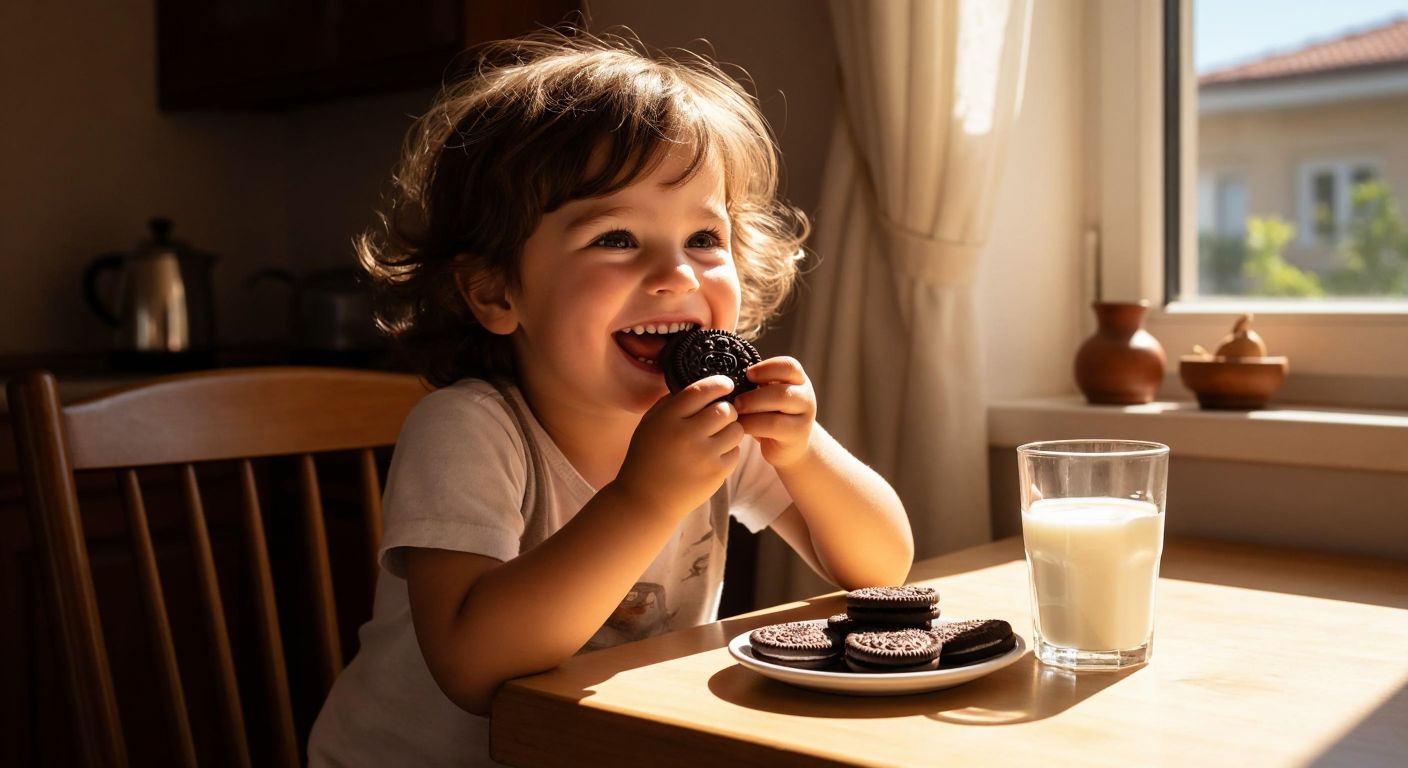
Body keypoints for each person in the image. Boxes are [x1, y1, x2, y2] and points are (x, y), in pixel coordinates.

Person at [308, 27, 912, 767]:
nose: (675, 274)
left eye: (702, 238)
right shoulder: (469, 432)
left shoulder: (717, 425)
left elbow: (883, 571)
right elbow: (472, 668)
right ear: (496, 291)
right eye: (617, 238)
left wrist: (804, 451)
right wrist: (645, 500)